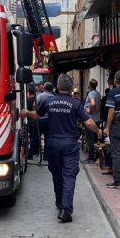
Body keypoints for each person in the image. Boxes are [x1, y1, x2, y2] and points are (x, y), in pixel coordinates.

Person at [20, 73, 101, 223]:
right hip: (70, 144)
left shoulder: (50, 101)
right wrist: (99, 131)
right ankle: (66, 210)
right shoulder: (76, 103)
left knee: (57, 174)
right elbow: (88, 122)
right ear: (70, 88)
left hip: (52, 144)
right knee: (69, 175)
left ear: (58, 87)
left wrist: (26, 113)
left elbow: (37, 115)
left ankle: (60, 202)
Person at [84, 79, 101, 163]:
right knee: (96, 139)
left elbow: (93, 103)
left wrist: (88, 109)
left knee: (90, 139)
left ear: (90, 85)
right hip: (97, 119)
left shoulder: (91, 93)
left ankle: (91, 158)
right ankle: (98, 156)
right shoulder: (98, 93)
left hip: (91, 120)